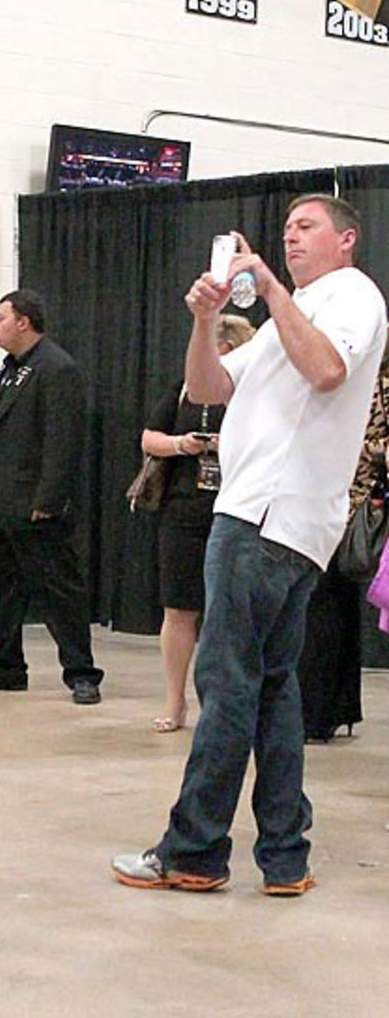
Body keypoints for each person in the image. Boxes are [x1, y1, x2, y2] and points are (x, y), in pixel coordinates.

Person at [112, 194, 387, 896]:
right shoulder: (289, 315)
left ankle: (194, 850)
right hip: (271, 519)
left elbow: (327, 369)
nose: (291, 237)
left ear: (346, 239)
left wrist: (267, 288)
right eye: (287, 228)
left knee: (229, 683)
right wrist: (205, 320)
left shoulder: (351, 296)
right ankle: (285, 856)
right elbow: (208, 387)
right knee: (270, 686)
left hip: (266, 517)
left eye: (307, 226)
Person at [0, 290, 105, 704]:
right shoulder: (11, 369)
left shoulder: (57, 368)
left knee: (59, 591)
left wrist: (49, 499)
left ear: (24, 322)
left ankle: (82, 673)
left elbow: (64, 440)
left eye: (1, 317)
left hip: (35, 505)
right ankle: (6, 667)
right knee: (1, 590)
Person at [140, 314, 255, 732]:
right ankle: (175, 701)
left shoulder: (253, 393)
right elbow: (149, 438)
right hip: (184, 509)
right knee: (178, 608)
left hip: (237, 509)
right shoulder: (183, 389)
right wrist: (181, 444)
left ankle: (224, 702)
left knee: (231, 611)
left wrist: (232, 445)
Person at [296, 363, 389, 742]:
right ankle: (336, 709)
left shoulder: (372, 384)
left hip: (350, 503)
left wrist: (348, 445)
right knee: (338, 604)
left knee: (323, 604)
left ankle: (316, 714)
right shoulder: (360, 381)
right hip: (340, 500)